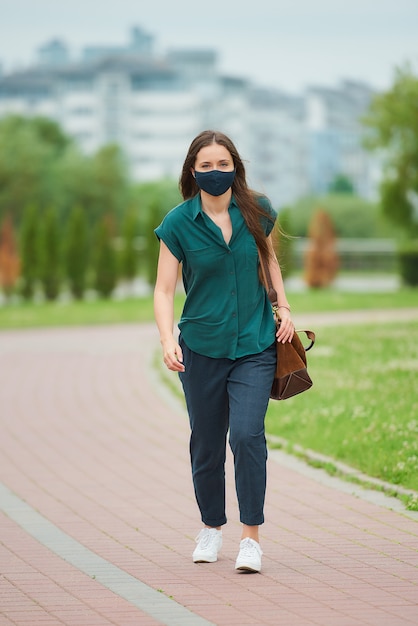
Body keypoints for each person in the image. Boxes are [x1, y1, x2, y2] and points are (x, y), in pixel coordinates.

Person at [154, 130, 294, 573]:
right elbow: (163, 289)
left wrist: (283, 306)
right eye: (206, 166)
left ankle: (251, 537)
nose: (216, 173)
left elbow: (268, 260)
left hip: (254, 344)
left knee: (248, 436)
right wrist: (166, 337)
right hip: (201, 348)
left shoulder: (257, 209)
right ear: (192, 171)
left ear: (235, 166)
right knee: (207, 445)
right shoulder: (178, 222)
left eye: (223, 164)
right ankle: (212, 527)